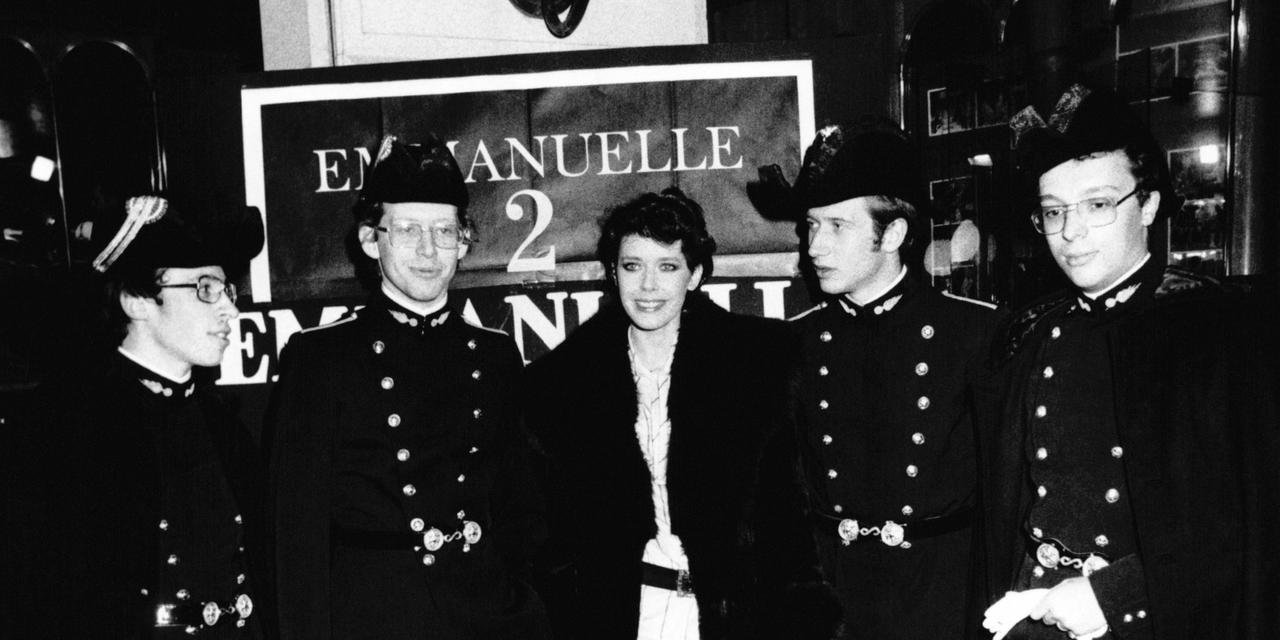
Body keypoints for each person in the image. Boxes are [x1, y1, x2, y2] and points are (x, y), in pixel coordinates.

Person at [977, 84, 1280, 640]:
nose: (1071, 232)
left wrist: (1116, 597)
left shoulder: (1217, 331)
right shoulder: (1030, 335)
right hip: (1034, 613)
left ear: (1149, 203)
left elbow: (1248, 524)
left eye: (1097, 205)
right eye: (1052, 212)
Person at [523, 187, 839, 640]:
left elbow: (791, 521)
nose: (648, 286)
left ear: (694, 275)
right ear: (613, 273)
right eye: (633, 266)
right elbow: (550, 535)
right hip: (626, 619)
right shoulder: (562, 385)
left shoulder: (758, 366)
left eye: (667, 266)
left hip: (742, 620)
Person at [267, 135, 549, 640]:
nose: (428, 250)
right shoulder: (320, 359)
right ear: (371, 240)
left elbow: (521, 511)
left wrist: (523, 605)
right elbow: (296, 538)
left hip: (486, 615)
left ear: (464, 242)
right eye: (408, 230)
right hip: (376, 616)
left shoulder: (495, 354)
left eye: (444, 231)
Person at [1, 195, 272, 638]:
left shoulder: (226, 423)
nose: (229, 308)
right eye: (205, 287)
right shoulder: (63, 426)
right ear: (136, 301)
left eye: (227, 289)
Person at [786, 121, 1002, 639]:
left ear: (895, 234)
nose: (815, 246)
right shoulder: (796, 341)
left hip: (939, 597)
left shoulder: (976, 331)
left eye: (837, 226)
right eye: (812, 226)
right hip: (834, 601)